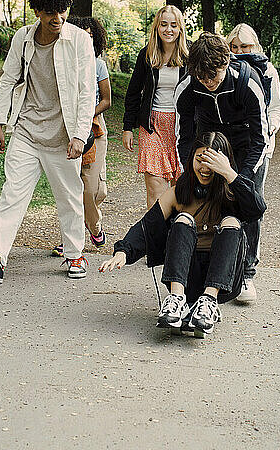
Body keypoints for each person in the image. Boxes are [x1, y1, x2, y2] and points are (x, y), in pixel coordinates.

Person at [99, 131, 266, 336]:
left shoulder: (232, 192)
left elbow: (257, 209)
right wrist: (123, 252)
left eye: (211, 162)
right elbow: (148, 226)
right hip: (185, 276)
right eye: (199, 160)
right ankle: (177, 300)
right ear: (191, 160)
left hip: (222, 280)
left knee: (232, 222)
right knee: (183, 219)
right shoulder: (179, 192)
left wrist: (230, 174)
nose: (204, 168)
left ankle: (209, 301)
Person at [0, 0, 95, 284]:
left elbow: (88, 92)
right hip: (27, 132)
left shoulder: (79, 41)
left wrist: (80, 135)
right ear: (37, 12)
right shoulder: (23, 38)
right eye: (50, 13)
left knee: (69, 198)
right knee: (11, 195)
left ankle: (74, 254)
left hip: (64, 138)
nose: (57, 19)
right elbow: (8, 80)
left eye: (62, 11)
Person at [174, 32, 269, 303]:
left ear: (226, 62)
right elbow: (184, 135)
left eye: (213, 77)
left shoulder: (248, 84)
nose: (208, 83)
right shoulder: (189, 87)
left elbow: (261, 138)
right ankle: (208, 268)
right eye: (202, 78)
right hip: (210, 141)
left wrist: (241, 178)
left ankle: (247, 271)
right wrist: (191, 169)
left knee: (247, 205)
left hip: (246, 144)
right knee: (207, 201)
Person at [227, 23, 280, 301]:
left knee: (252, 203)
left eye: (245, 47)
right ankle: (226, 267)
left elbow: (276, 109)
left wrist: (268, 127)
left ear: (255, 47)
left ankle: (248, 271)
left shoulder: (268, 71)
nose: (239, 52)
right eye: (234, 47)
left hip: (258, 146)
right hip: (230, 147)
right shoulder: (226, 71)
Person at [52, 16, 111, 257]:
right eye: (81, 35)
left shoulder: (98, 65)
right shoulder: (62, 63)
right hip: (66, 130)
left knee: (92, 190)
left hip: (94, 130)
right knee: (70, 188)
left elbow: (106, 100)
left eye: (89, 36)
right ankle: (70, 240)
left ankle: (94, 226)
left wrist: (85, 114)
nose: (85, 39)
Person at [122, 5, 189, 208]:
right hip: (152, 126)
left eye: (173, 25)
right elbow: (133, 92)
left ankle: (177, 236)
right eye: (164, 25)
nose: (168, 30)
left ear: (180, 29)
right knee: (155, 189)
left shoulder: (190, 55)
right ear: (157, 28)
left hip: (181, 126)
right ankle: (156, 236)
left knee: (182, 189)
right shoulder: (147, 54)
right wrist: (128, 127)